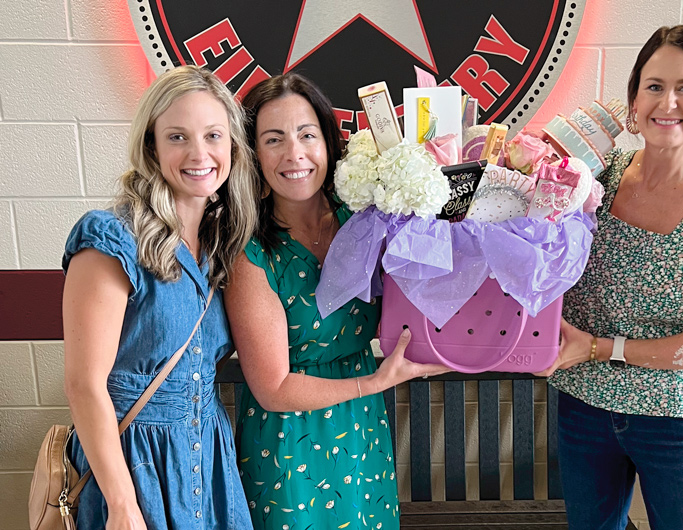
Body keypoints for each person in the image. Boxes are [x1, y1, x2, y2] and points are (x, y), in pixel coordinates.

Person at [540, 25, 683, 530]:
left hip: (681, 419)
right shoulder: (597, 177)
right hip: (584, 406)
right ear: (634, 100)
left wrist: (600, 348)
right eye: (654, 85)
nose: (668, 101)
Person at [226, 72, 447, 530]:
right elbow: (274, 389)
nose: (295, 154)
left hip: (362, 430)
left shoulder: (364, 223)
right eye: (273, 139)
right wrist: (378, 383)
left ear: (328, 142)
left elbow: (420, 308)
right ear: (252, 155)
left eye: (308, 134)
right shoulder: (251, 253)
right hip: (289, 443)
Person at [62, 65, 259, 529]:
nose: (199, 153)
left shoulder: (221, 245)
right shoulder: (111, 237)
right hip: (130, 464)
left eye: (213, 135)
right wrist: (122, 504)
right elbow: (84, 384)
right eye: (177, 137)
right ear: (151, 145)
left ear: (232, 144)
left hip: (207, 458)